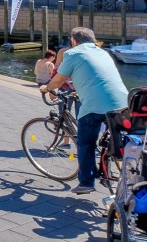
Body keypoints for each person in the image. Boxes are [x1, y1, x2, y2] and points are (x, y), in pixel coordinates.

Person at [39, 27, 129, 195]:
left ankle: (87, 182)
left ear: (73, 40)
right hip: (122, 103)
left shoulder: (72, 54)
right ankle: (115, 160)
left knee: (85, 142)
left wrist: (46, 88)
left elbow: (58, 81)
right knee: (116, 138)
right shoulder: (103, 53)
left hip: (95, 105)